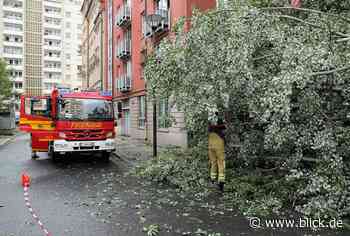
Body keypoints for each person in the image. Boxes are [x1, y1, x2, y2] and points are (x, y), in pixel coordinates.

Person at [208, 111, 226, 192]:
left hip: (211, 143)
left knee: (213, 162)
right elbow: (224, 128)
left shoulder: (210, 121)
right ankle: (221, 183)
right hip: (218, 143)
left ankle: (212, 180)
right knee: (221, 162)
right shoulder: (220, 121)